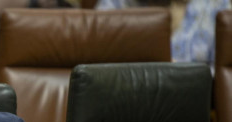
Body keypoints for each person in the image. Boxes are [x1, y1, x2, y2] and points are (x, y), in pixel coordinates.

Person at [95, 0, 231, 68]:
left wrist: (189, 75)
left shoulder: (215, 5)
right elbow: (95, 56)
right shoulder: (116, 4)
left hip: (196, 103)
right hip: (127, 100)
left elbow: (223, 75)